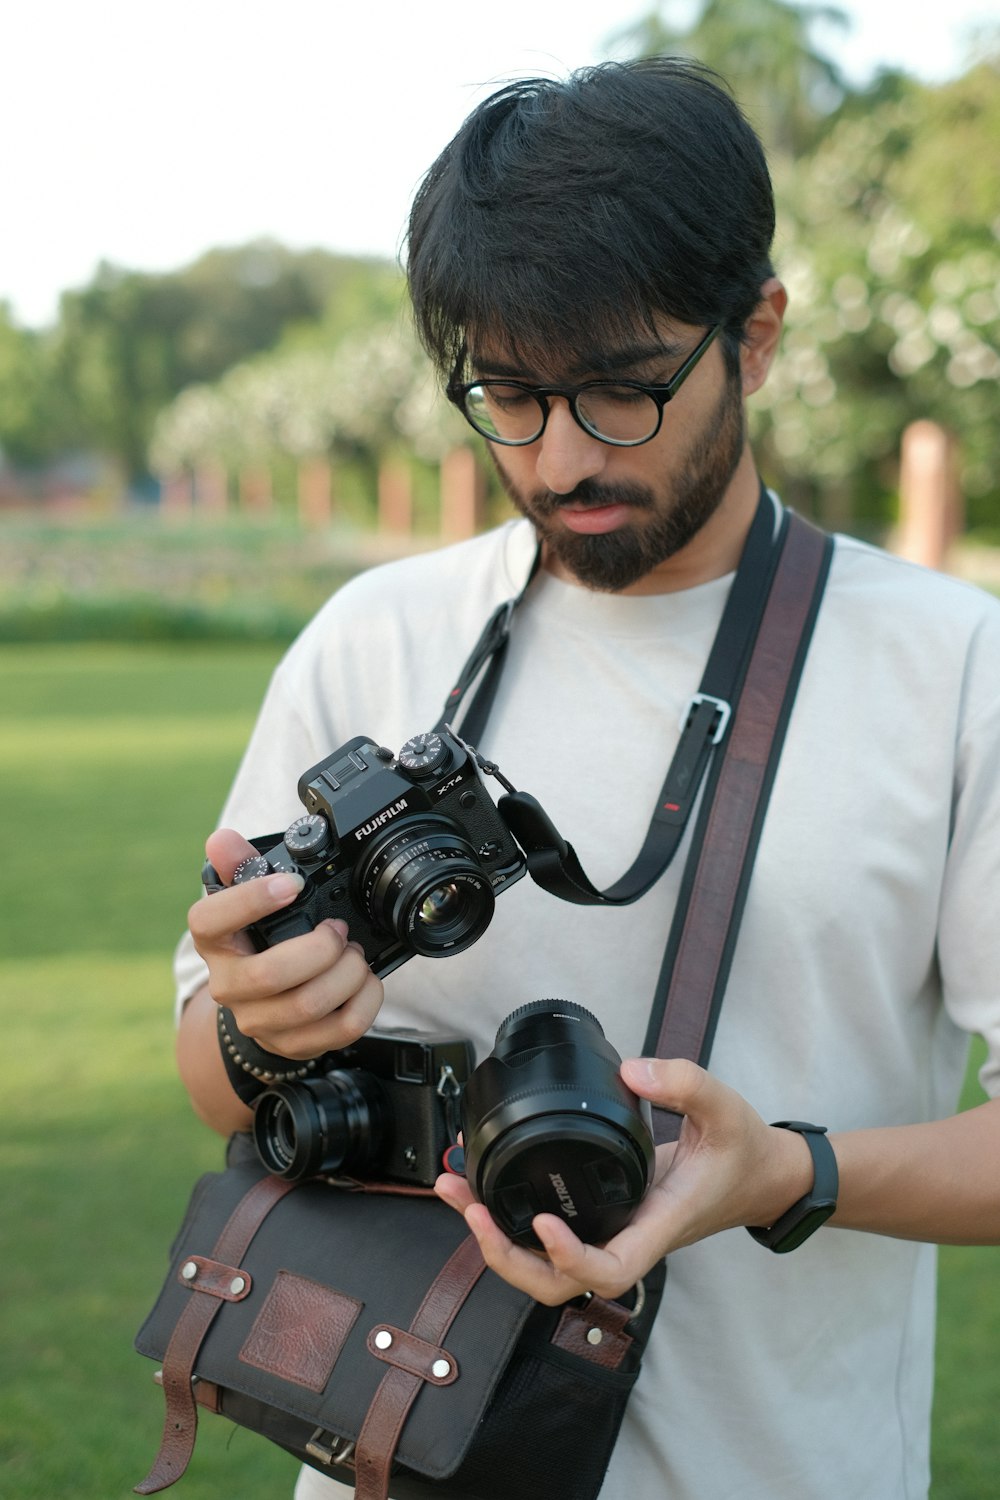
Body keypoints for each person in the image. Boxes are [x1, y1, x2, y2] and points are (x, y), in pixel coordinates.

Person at [174, 57, 1000, 1500]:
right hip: (387, 1456)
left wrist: (790, 1174)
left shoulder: (954, 667)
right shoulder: (376, 637)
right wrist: (257, 1026)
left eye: (622, 391)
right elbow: (210, 1077)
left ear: (755, 335)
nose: (560, 458)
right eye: (509, 393)